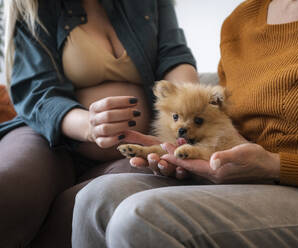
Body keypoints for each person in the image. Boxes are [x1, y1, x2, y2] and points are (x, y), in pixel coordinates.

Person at [72, 0, 298, 247]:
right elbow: (230, 124)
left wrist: (275, 166)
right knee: (95, 198)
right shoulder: (240, 22)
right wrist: (201, 151)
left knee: (141, 217)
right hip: (256, 182)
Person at [0, 0, 198, 247]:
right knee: (10, 190)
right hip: (46, 138)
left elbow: (173, 55)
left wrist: (184, 117)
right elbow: (37, 90)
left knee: (94, 205)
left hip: (133, 149)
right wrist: (89, 126)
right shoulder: (33, 6)